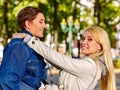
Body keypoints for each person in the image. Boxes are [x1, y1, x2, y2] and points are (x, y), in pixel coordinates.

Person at [13, 26, 116, 90]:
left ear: (100, 46)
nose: (83, 42)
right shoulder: (91, 64)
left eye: (90, 39)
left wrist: (30, 40)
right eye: (83, 38)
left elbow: (59, 59)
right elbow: (58, 62)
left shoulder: (91, 66)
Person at [0, 6, 48, 90]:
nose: (45, 26)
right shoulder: (19, 45)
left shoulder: (34, 45)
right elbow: (7, 81)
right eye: (41, 22)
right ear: (28, 24)